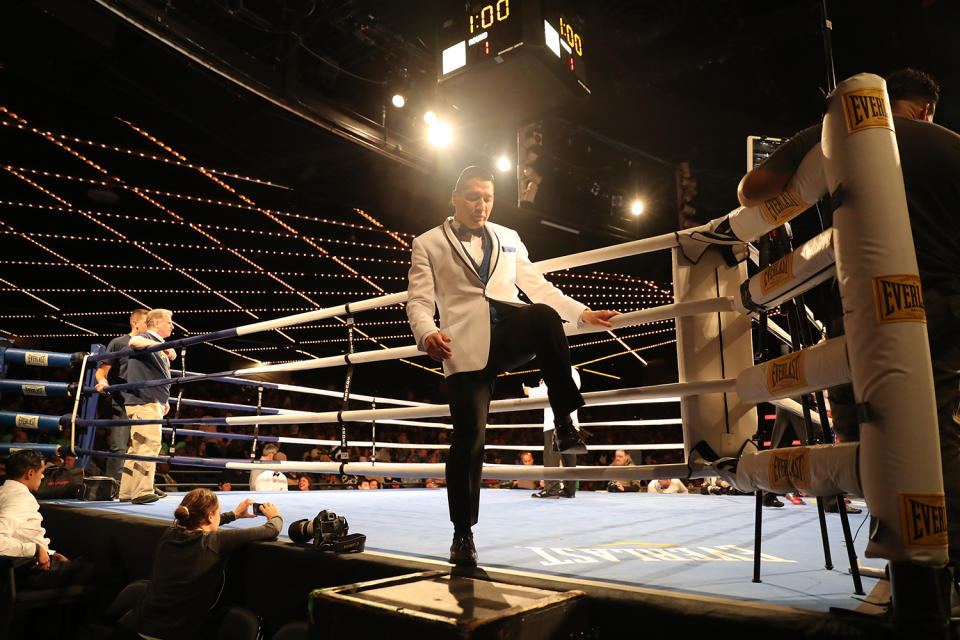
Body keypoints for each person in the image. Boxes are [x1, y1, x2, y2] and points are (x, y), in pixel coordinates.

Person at [738, 69, 960, 557]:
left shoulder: (831, 130)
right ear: (925, 108)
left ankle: (916, 572)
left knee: (864, 433)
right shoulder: (950, 144)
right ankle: (936, 570)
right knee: (936, 426)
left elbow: (753, 191)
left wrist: (812, 158)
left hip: (863, 306)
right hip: (947, 303)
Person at [406, 165, 619, 566]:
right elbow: (418, 300)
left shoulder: (508, 236)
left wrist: (582, 313)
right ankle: (462, 533)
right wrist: (426, 333)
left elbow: (538, 285)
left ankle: (564, 421)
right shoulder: (428, 243)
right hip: (462, 346)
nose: (481, 205)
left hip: (508, 332)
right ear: (454, 197)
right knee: (469, 441)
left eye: (487, 197)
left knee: (542, 314)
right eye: (472, 196)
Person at [118, 490, 281, 640]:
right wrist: (275, 515)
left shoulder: (169, 534)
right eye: (217, 513)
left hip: (138, 628)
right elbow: (272, 529)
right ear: (210, 517)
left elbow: (197, 523)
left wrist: (234, 515)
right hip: (173, 634)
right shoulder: (216, 541)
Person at [0, 450, 92, 590]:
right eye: (41, 472)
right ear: (30, 473)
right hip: (24, 574)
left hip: (21, 567)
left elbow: (19, 535)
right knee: (105, 574)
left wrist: (48, 553)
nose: (43, 476)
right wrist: (36, 550)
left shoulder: (4, 492)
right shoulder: (19, 498)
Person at [119, 308, 176, 504]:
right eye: (169, 321)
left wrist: (164, 400)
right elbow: (133, 342)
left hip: (151, 400)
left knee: (137, 447)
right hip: (145, 400)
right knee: (149, 445)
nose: (172, 325)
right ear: (158, 323)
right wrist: (161, 347)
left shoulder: (156, 344)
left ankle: (126, 491)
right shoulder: (146, 338)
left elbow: (158, 374)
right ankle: (142, 491)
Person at [95, 308, 149, 484]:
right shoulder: (118, 343)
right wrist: (103, 382)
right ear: (135, 323)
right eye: (147, 323)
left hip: (144, 401)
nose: (150, 328)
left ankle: (140, 485)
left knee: (143, 447)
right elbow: (102, 371)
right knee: (119, 447)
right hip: (123, 401)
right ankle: (112, 485)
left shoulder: (151, 344)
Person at [523, 367, 581, 499]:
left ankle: (551, 490)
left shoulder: (554, 368)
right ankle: (569, 490)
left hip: (554, 420)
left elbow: (548, 391)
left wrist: (530, 391)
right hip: (571, 419)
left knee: (551, 455)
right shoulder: (574, 371)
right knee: (569, 456)